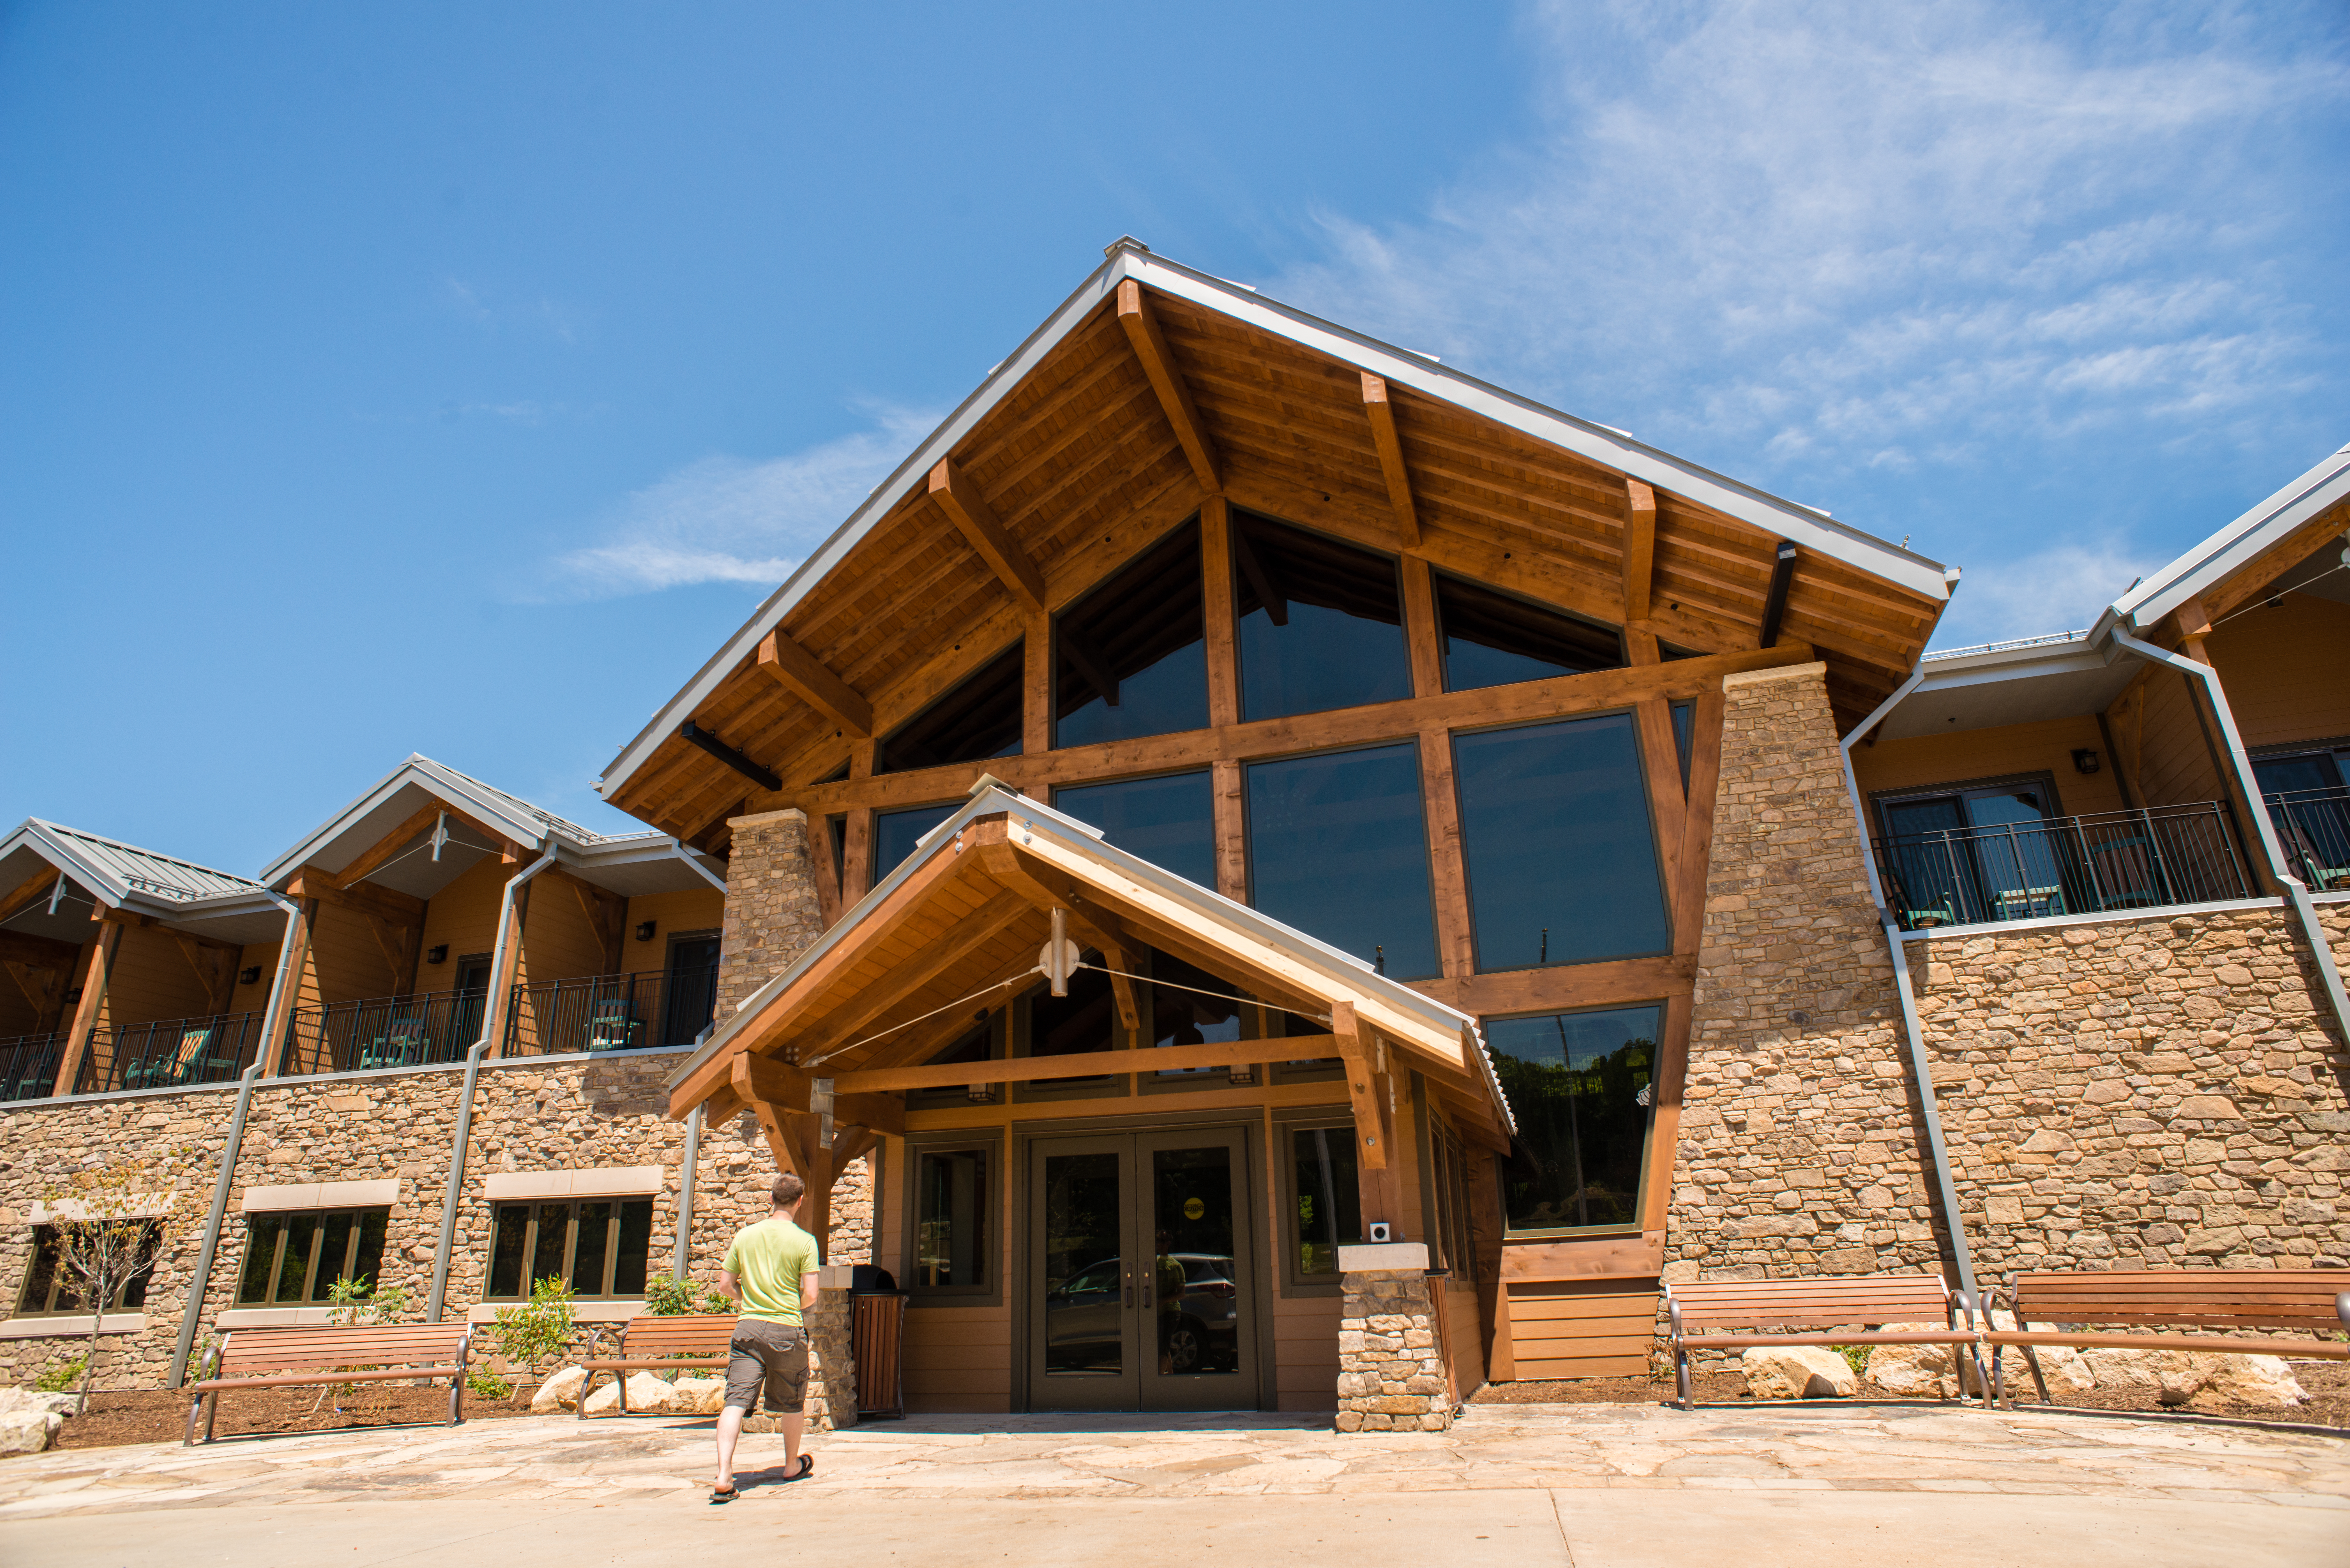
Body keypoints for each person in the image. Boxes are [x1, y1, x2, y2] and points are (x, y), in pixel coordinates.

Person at [711, 1171, 822, 1503]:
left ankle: (723, 1475)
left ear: (770, 1198)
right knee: (792, 1401)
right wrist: (790, 1305)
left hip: (748, 1329)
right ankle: (791, 1464)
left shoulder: (745, 1236)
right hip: (786, 1330)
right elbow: (812, 1294)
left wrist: (747, 1301)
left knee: (736, 1401)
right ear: (800, 1201)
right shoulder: (804, 1241)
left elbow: (725, 1285)